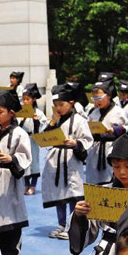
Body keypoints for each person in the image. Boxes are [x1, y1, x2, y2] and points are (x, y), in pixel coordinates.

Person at [0, 91, 31, 255]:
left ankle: (12, 251)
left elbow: (25, 156)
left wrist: (11, 159)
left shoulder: (20, 133)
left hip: (10, 177)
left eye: (0, 112)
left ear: (11, 113)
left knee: (11, 215)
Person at [42, 83, 94, 239]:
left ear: (71, 103)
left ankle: (72, 225)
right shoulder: (55, 120)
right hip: (55, 159)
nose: (58, 108)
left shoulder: (79, 120)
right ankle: (61, 223)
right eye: (55, 105)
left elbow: (87, 139)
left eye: (61, 104)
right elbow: (44, 137)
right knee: (58, 194)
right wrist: (52, 122)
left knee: (73, 194)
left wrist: (76, 143)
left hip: (71, 160)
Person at [84, 79, 128, 185]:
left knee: (110, 180)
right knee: (93, 181)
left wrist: (116, 130)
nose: (97, 101)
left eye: (99, 98)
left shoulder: (119, 112)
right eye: (94, 99)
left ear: (108, 96)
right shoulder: (93, 113)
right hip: (95, 150)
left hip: (112, 149)